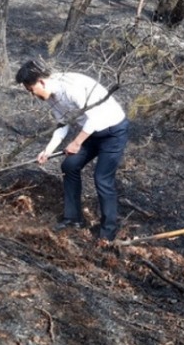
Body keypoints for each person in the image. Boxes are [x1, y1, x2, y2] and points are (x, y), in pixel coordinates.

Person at [16, 60, 129, 243]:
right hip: (91, 133)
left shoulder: (71, 87)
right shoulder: (51, 97)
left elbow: (96, 118)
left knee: (102, 178)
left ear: (41, 82)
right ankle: (73, 218)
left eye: (31, 90)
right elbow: (63, 124)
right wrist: (48, 150)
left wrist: (76, 143)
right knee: (70, 165)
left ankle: (107, 233)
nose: (32, 95)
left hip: (113, 132)